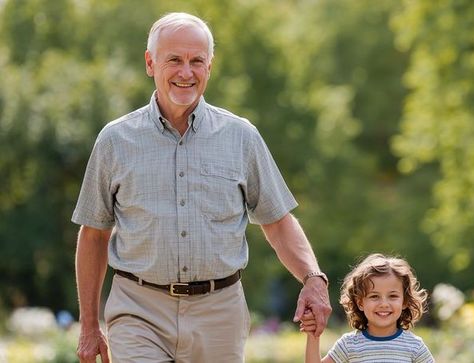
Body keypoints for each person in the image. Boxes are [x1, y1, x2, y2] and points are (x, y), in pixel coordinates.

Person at [72, 12, 331, 363]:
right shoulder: (115, 140)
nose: (186, 72)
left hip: (219, 313)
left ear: (209, 66)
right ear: (151, 63)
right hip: (139, 308)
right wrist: (89, 326)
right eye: (174, 60)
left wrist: (313, 278)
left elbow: (278, 221)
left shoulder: (241, 137)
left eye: (197, 61)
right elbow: (94, 235)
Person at [301, 253, 434, 363]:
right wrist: (313, 335)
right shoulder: (349, 344)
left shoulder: (414, 346)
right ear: (360, 303)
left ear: (404, 301)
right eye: (374, 296)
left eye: (393, 296)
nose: (384, 304)